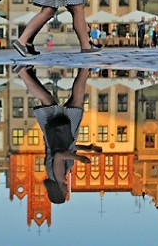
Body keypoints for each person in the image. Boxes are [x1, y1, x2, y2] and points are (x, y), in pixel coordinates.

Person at [13, 65, 102, 203]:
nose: (67, 191)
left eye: (65, 194)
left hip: (64, 131)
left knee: (76, 101)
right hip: (55, 134)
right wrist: (86, 148)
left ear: (58, 192)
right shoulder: (54, 176)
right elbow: (66, 150)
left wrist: (80, 159)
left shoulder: (58, 177)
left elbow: (59, 155)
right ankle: (25, 72)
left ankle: (84, 69)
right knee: (48, 100)